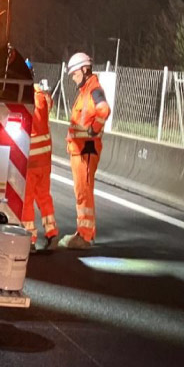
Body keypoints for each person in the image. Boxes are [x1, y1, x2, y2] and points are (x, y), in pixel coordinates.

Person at [59, 53, 111, 249]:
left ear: (84, 69)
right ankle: (83, 231)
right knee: (81, 191)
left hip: (86, 149)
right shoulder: (86, 90)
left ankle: (85, 236)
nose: (73, 77)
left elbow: (104, 110)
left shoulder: (94, 90)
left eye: (74, 73)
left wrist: (93, 129)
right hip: (80, 149)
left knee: (84, 192)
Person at [23, 79, 58, 251]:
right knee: (44, 197)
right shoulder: (43, 97)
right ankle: (52, 233)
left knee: (27, 199)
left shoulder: (26, 99)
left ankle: (29, 238)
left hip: (31, 159)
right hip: (44, 160)